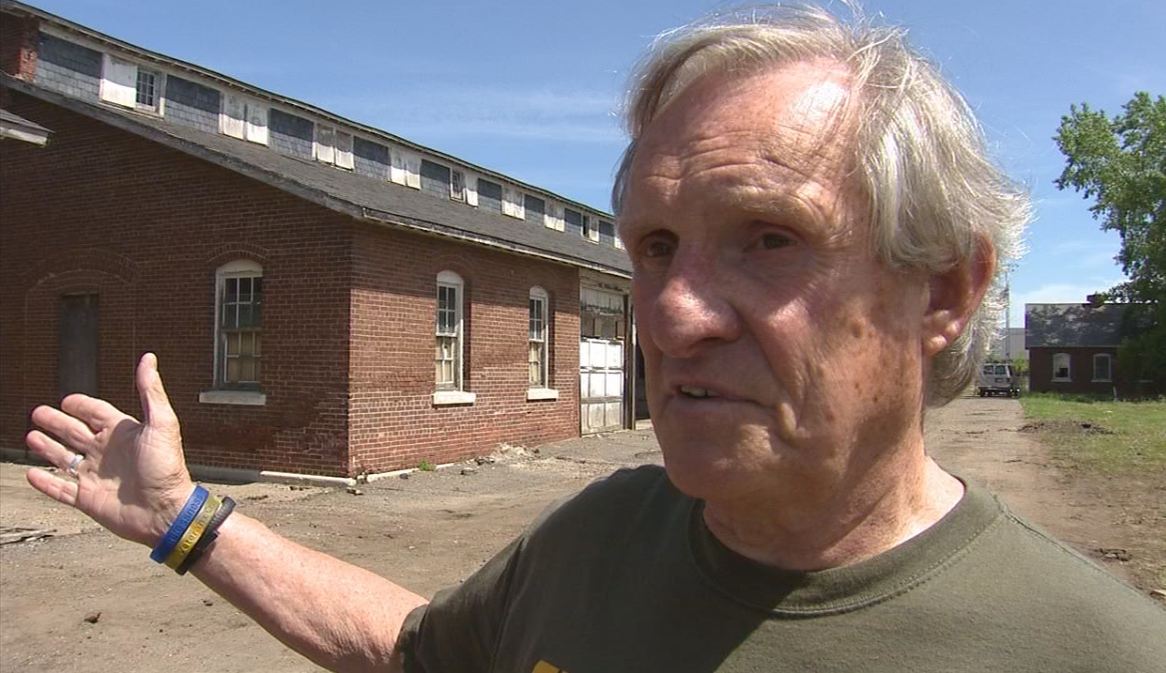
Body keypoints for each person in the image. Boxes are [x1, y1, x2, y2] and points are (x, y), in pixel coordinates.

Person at [23, 4, 1164, 672]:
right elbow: (417, 651)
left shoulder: (1092, 649)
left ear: (946, 291)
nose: (670, 315)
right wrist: (185, 519)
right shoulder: (601, 535)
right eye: (655, 246)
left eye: (768, 238)